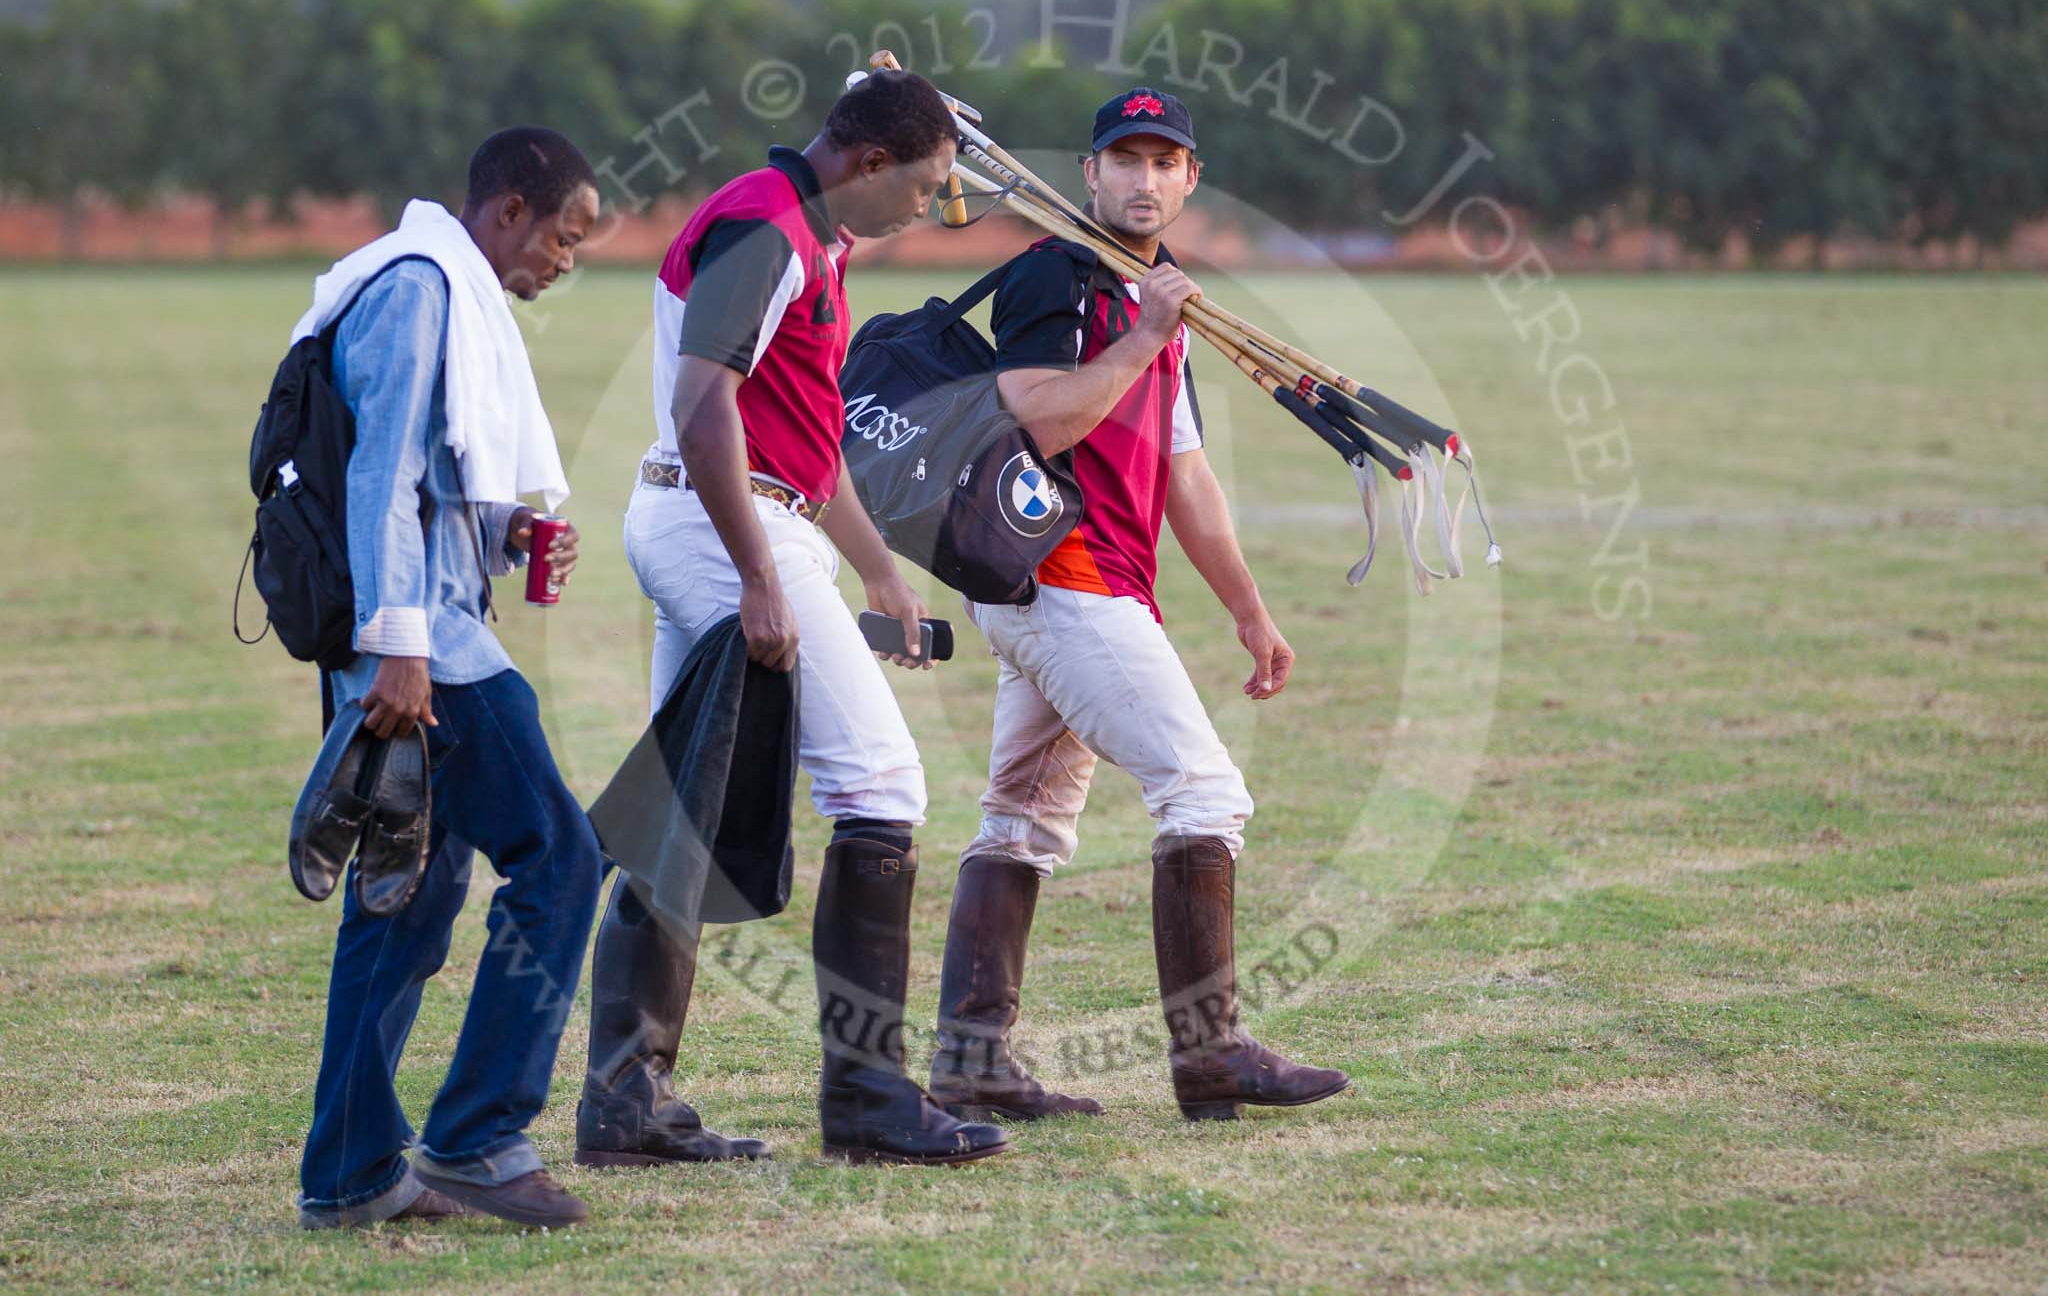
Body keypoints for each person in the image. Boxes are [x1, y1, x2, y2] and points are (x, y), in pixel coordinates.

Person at [578, 70, 1009, 1167]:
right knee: (881, 785)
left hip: (738, 519)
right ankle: (867, 1103)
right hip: (723, 529)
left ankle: (625, 1107)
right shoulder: (765, 226)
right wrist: (761, 577)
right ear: (868, 164)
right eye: (921, 187)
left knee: (682, 809)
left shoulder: (813, 234)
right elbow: (700, 402)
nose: (926, 208)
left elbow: (803, 445)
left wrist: (879, 573)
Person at [927, 88, 1352, 1123]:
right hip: (1059, 581)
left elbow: (1187, 473)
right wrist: (1136, 339)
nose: (1144, 179)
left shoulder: (1169, 298)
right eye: (1126, 159)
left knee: (1021, 821)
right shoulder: (1055, 275)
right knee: (1205, 797)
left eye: (1166, 162)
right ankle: (1208, 1057)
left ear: (1191, 178)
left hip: (1093, 589)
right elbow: (1038, 418)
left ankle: (970, 1057)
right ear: (1090, 172)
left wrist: (1249, 610)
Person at [295, 127, 605, 1229]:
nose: (566, 261)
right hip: (426, 654)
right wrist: (399, 646)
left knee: (404, 904)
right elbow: (378, 472)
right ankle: (478, 1139)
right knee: (563, 860)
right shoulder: (422, 290)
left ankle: (348, 1176)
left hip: (423, 633)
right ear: (508, 211)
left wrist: (511, 530)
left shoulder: (439, 289)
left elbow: (426, 479)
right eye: (564, 236)